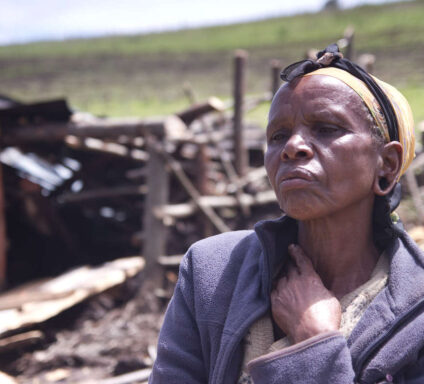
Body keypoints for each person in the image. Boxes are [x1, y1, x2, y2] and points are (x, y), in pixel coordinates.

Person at [149, 44, 424, 383]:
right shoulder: (212, 273)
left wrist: (314, 339)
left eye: (326, 128)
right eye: (278, 135)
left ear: (387, 164)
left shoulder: (417, 311)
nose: (292, 147)